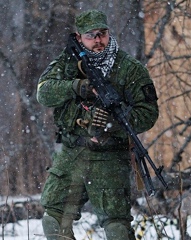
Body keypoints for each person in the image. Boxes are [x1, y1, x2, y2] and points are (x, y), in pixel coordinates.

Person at [37, 9, 159, 240]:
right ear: (79, 37)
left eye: (102, 34)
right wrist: (77, 87)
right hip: (72, 152)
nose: (97, 41)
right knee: (53, 220)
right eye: (90, 35)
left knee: (116, 228)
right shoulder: (67, 62)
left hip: (110, 157)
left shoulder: (130, 68)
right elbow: (43, 93)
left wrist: (112, 123)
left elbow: (148, 113)